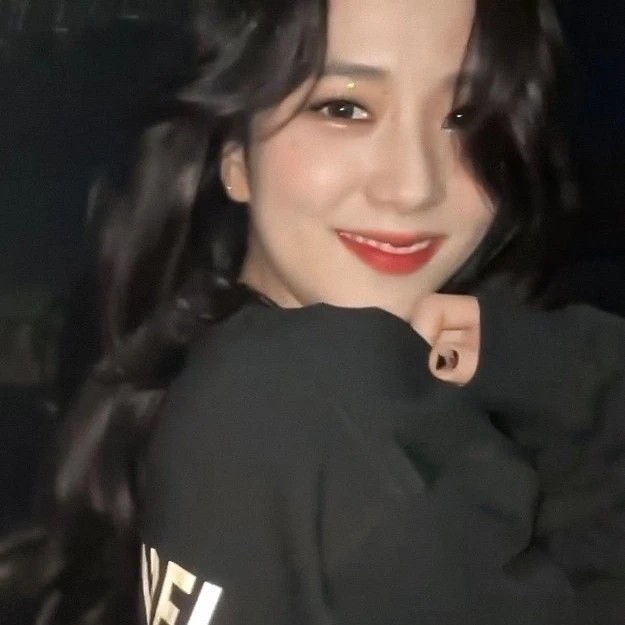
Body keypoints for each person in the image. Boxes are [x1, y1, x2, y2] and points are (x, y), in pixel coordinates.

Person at [1, 0, 624, 624]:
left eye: (464, 115)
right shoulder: (322, 395)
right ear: (235, 154)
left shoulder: (202, 376)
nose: (412, 187)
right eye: (344, 108)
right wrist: (578, 379)